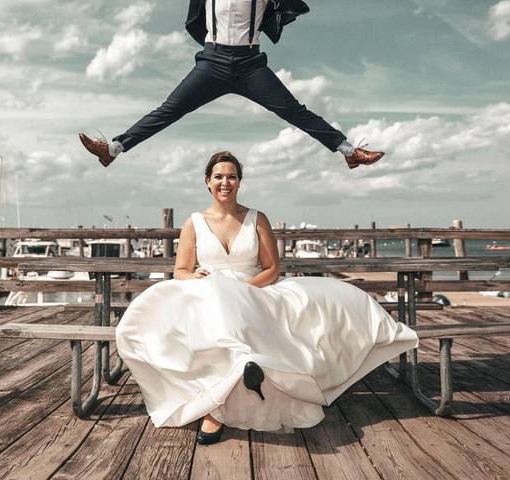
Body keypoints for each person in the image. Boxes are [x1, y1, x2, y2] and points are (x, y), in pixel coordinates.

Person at [115, 151, 418, 444]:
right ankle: (218, 402)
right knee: (198, 312)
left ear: (239, 182)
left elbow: (272, 268)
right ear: (207, 181)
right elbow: (180, 269)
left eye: (232, 177)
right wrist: (192, 278)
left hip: (255, 287)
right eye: (218, 176)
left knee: (321, 305)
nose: (225, 182)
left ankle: (221, 404)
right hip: (208, 292)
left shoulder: (257, 218)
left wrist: (243, 290)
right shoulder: (193, 222)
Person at [79, 0, 385, 170]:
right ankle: (113, 150)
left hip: (250, 65)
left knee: (293, 111)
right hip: (212, 62)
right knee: (170, 110)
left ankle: (348, 152)